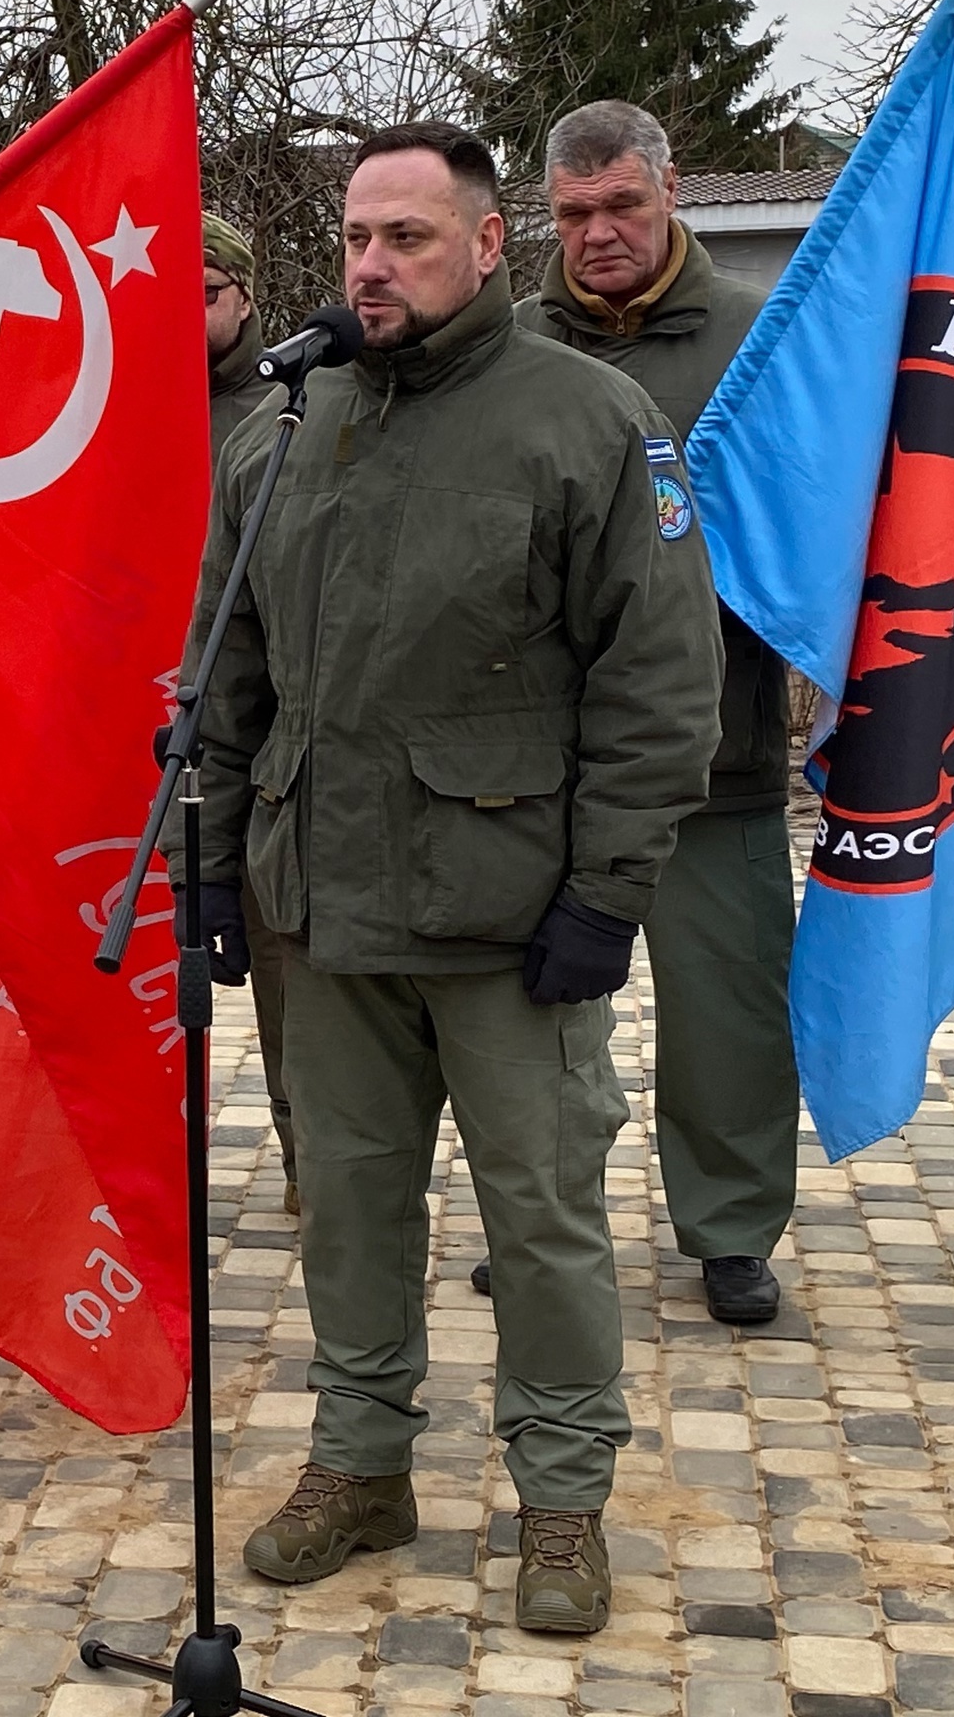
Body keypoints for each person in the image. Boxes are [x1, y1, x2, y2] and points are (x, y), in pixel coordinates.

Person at [179, 123, 722, 1634]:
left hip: (511, 919)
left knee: (541, 1216)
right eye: (358, 237)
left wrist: (606, 894)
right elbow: (226, 676)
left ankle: (561, 1497)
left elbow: (660, 685)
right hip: (325, 911)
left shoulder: (589, 422)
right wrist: (218, 875)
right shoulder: (290, 426)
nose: (372, 264)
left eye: (410, 237)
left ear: (490, 248)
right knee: (348, 1205)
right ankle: (363, 1465)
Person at [498, 99, 793, 1326]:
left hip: (714, 751)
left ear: (671, 192)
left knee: (724, 1008)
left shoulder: (764, 337)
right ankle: (540, 1229)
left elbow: (818, 525)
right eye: (572, 214)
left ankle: (727, 1229)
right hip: (535, 764)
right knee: (533, 1023)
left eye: (621, 204)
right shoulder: (507, 345)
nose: (599, 234)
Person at [196, 213, 297, 1213]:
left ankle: (315, 1162)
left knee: (287, 980)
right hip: (136, 735)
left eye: (206, 297)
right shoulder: (108, 405)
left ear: (242, 295)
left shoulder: (286, 411)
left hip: (261, 736)